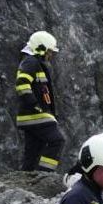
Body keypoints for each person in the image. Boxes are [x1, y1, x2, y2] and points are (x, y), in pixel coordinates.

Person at [15, 30, 65, 172]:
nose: (50, 55)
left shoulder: (33, 62)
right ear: (40, 48)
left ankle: (26, 179)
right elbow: (22, 83)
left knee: (32, 152)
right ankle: (45, 175)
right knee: (57, 140)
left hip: (30, 116)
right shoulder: (31, 61)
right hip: (35, 115)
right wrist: (35, 105)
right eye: (49, 51)